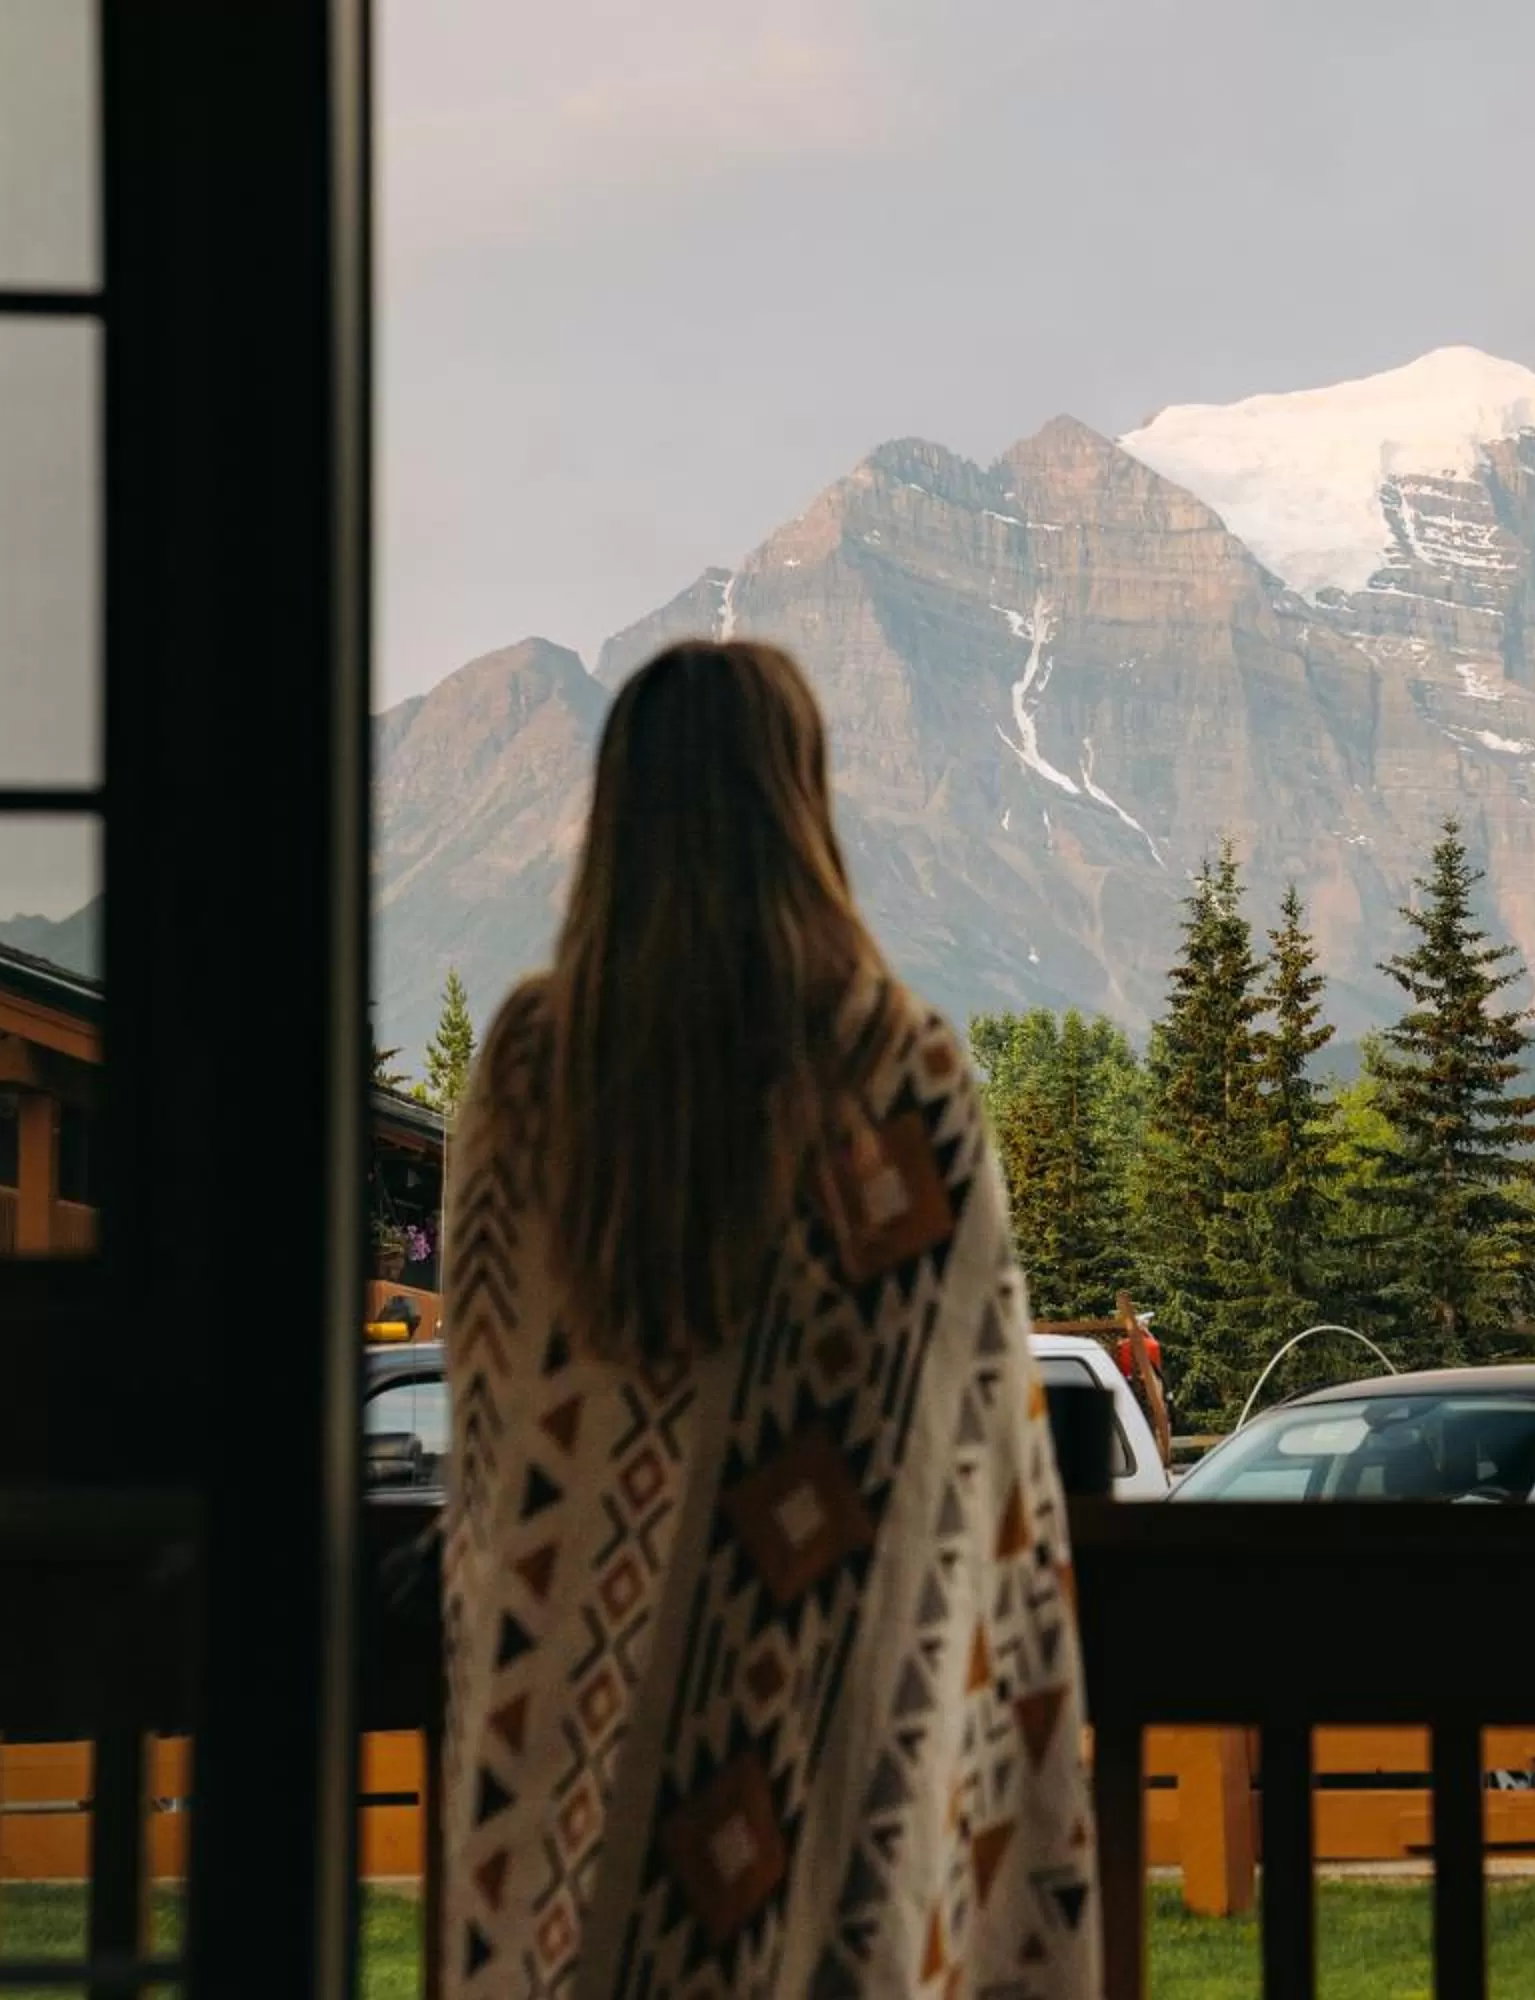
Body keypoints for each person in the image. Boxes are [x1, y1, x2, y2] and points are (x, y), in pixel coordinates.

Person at [436, 639, 1099, 1997]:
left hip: (572, 1750)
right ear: (805, 803)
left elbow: (496, 1431)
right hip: (830, 1749)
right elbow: (981, 1470)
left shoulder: (526, 1072)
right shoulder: (900, 1072)